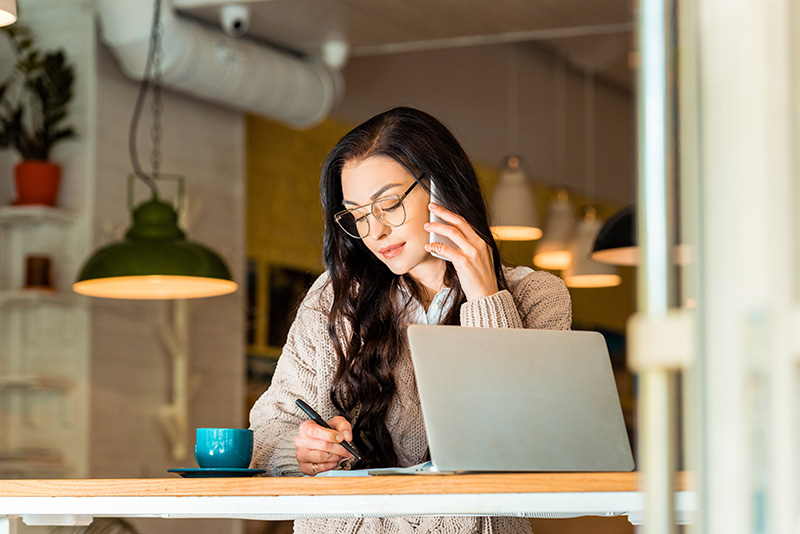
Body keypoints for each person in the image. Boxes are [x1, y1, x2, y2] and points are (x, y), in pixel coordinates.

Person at [249, 106, 572, 533]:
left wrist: (486, 298)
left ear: (443, 187)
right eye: (358, 215)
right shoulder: (334, 299)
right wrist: (302, 450)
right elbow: (266, 435)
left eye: (389, 204)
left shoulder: (538, 296)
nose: (375, 232)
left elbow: (524, 449)